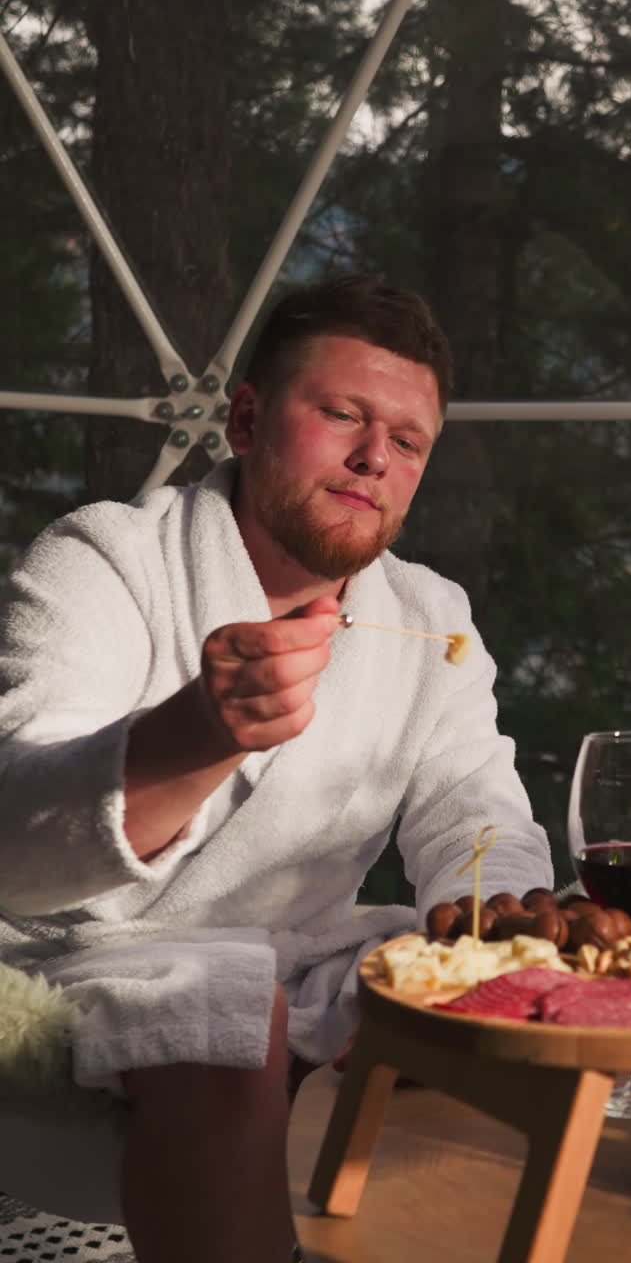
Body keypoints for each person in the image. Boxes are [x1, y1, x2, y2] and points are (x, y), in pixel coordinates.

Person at [0, 274, 552, 1262]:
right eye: (341, 412)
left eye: (409, 440)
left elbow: (475, 814)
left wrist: (500, 919)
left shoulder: (432, 619)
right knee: (223, 1013)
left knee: (474, 1010)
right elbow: (9, 835)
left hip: (298, 954)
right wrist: (195, 732)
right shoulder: (106, 561)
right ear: (247, 417)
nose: (374, 457)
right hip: (86, 951)